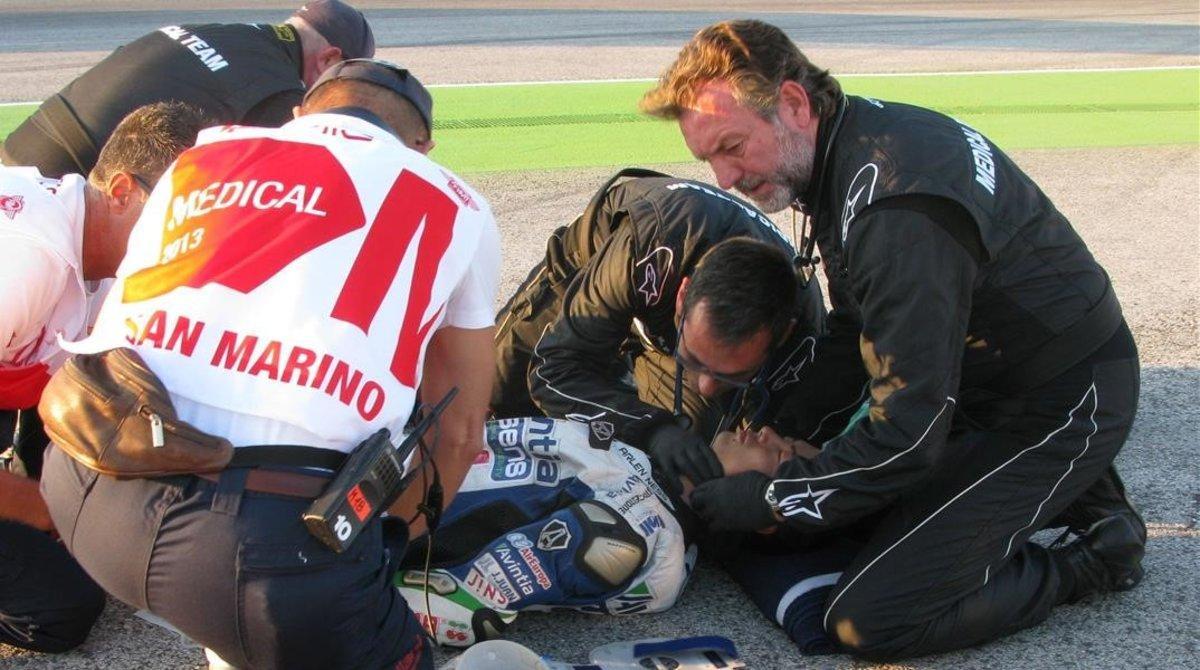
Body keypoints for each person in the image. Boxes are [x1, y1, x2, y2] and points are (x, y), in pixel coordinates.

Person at [639, 19, 1146, 660]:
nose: (724, 177)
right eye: (709, 157)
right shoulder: (853, 142)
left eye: (733, 146)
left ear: (793, 104)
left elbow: (908, 432)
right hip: (983, 374)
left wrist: (774, 495)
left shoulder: (895, 210)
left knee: (870, 619)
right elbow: (859, 330)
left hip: (1060, 397)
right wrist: (776, 425)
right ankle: (1066, 489)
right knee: (846, 469)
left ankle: (1097, 555)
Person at [40, 59, 499, 670]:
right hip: (263, 555)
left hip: (85, 487)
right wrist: (380, 548)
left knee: (232, 604)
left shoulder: (202, 154)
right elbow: (461, 431)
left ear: (298, 116)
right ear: (424, 148)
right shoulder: (457, 201)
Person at [0, 101, 211, 654]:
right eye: (181, 221)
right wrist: (45, 509)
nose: (194, 242)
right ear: (122, 192)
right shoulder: (25, 262)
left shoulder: (94, 246)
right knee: (56, 607)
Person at [495, 170, 825, 490]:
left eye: (732, 374)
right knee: (485, 396)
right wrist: (650, 427)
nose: (707, 386)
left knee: (687, 459)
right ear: (682, 296)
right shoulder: (650, 246)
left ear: (779, 337)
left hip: (672, 332)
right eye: (695, 361)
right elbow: (554, 370)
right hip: (596, 275)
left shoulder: (801, 338)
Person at [0, 0, 374, 178]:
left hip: (24, 142)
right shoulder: (276, 88)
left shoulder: (224, 31)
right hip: (71, 177)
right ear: (329, 59)